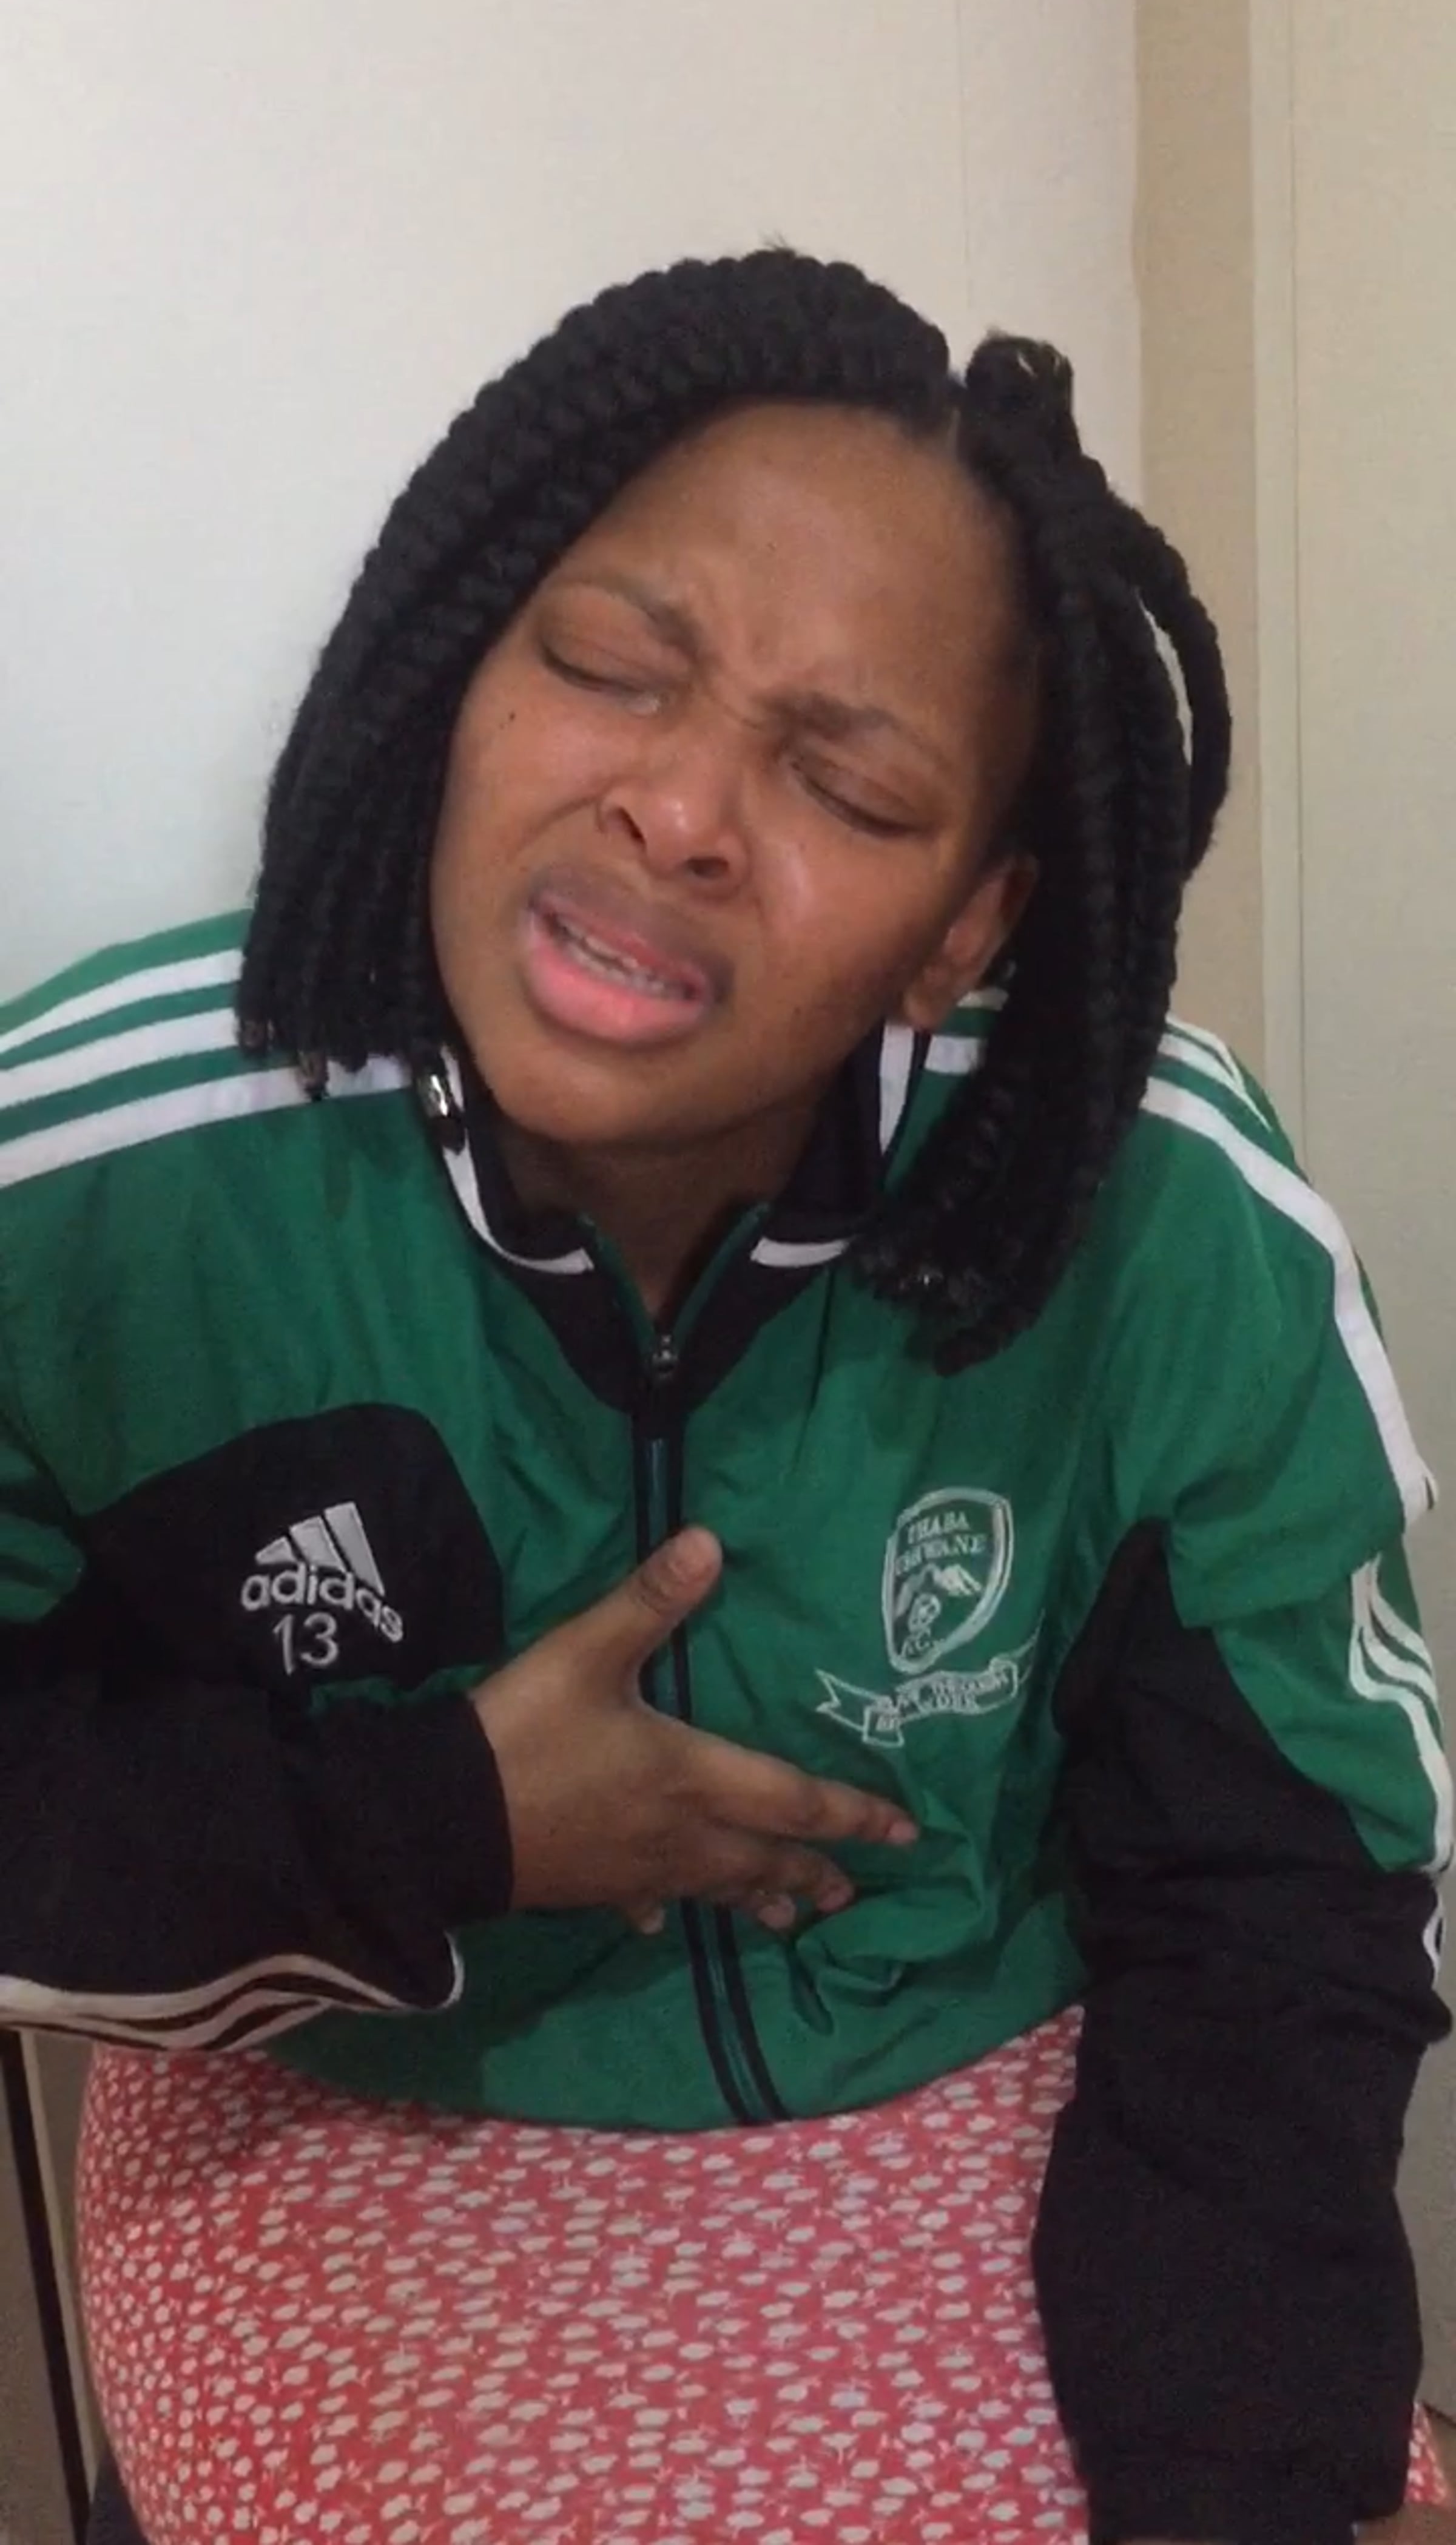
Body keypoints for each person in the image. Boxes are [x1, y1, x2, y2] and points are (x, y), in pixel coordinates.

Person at [1, 250, 1450, 2545]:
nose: (679, 808)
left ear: (967, 923)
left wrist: (1242, 2480)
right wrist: (446, 1822)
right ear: (459, 667)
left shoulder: (1161, 1211)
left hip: (983, 2085)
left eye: (847, 781)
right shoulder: (89, 1182)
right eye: (607, 665)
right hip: (341, 2090)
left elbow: (1284, 1896)